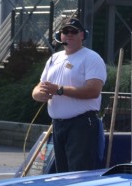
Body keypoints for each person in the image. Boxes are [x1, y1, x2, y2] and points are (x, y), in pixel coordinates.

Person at [32, 18, 107, 172]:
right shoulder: (54, 58)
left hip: (81, 125)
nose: (70, 34)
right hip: (58, 125)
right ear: (61, 36)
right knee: (62, 174)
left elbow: (93, 91)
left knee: (78, 174)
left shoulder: (91, 58)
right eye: (66, 31)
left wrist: (59, 90)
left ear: (82, 35)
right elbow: (39, 87)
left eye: (74, 31)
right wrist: (39, 95)